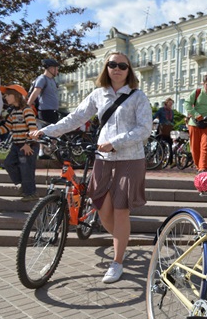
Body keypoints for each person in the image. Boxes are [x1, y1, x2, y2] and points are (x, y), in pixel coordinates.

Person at [30, 51, 152, 283]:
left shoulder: (138, 96)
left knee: (120, 209)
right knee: (102, 208)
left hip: (130, 159)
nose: (117, 68)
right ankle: (120, 239)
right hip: (102, 159)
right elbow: (75, 118)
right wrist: (46, 131)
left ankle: (117, 261)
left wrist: (115, 143)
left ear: (129, 70)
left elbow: (144, 129)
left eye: (122, 66)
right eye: (112, 64)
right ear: (106, 68)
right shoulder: (99, 94)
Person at [0, 84, 39, 202]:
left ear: (16, 96)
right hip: (16, 146)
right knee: (8, 163)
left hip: (27, 145)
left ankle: (31, 193)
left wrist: (28, 144)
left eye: (7, 95)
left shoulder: (27, 110)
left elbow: (33, 130)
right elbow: (7, 127)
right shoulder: (13, 112)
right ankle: (25, 186)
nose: (5, 97)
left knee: (26, 169)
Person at [184, 75, 207, 173]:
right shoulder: (197, 93)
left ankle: (203, 168)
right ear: (203, 84)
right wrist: (196, 114)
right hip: (195, 123)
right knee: (195, 147)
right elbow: (186, 104)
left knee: (206, 146)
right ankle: (198, 166)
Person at [28, 58, 60, 125]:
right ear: (51, 69)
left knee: (54, 133)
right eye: (56, 69)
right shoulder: (42, 79)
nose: (57, 72)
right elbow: (35, 92)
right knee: (46, 133)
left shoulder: (52, 80)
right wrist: (27, 106)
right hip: (46, 112)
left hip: (54, 112)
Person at [153, 97, 175, 166]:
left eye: (172, 103)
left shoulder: (172, 112)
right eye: (170, 103)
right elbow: (154, 116)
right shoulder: (161, 110)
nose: (171, 105)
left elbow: (172, 121)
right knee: (159, 144)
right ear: (166, 103)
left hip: (168, 129)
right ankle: (157, 158)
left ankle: (170, 161)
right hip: (161, 129)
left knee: (170, 144)